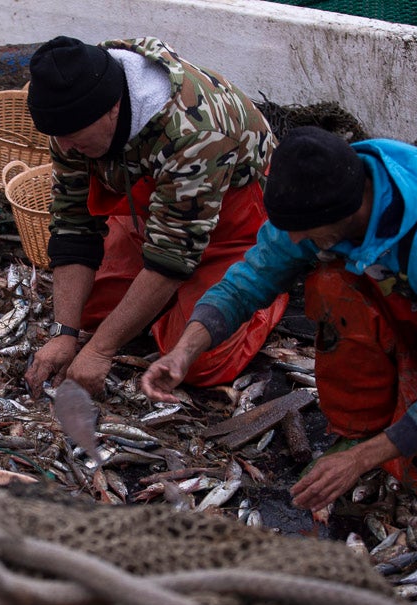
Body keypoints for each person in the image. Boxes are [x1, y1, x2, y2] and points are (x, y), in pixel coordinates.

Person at [141, 125, 417, 509]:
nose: (296, 242)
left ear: (346, 213)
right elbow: (247, 282)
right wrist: (183, 351)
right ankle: (358, 429)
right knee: (331, 284)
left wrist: (362, 461)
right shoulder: (314, 203)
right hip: (404, 303)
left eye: (307, 233)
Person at [22, 35, 288, 397]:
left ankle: (267, 278)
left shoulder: (194, 132)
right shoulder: (72, 119)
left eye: (73, 138)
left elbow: (171, 260)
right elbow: (73, 223)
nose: (64, 147)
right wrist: (65, 334)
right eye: (58, 137)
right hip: (159, 208)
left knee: (199, 360)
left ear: (113, 109)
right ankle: (162, 298)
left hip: (236, 214)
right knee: (87, 311)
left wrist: (101, 349)